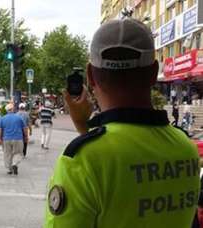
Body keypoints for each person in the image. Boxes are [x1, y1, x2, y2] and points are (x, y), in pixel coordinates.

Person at [44, 18, 200, 227]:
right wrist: (85, 129)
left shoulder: (80, 162)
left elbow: (108, 166)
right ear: (154, 73)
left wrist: (84, 129)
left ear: (90, 76)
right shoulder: (186, 148)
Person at [0, 103, 28, 175]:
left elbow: (0, 129)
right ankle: (15, 164)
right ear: (13, 109)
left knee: (7, 154)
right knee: (18, 153)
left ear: (6, 110)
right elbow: (24, 128)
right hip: (18, 138)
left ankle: (9, 169)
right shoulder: (19, 118)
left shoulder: (2, 118)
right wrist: (26, 136)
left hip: (6, 139)